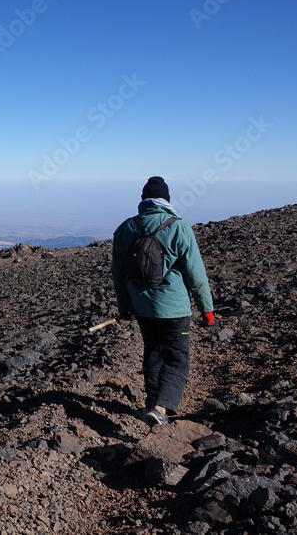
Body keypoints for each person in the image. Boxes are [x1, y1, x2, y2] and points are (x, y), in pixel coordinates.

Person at [111, 176, 215, 426]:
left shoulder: (126, 228)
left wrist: (125, 307)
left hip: (142, 307)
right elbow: (195, 273)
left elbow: (118, 273)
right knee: (177, 356)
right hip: (174, 308)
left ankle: (151, 405)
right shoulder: (179, 227)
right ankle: (160, 408)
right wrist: (206, 308)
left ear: (143, 200)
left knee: (154, 352)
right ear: (166, 200)